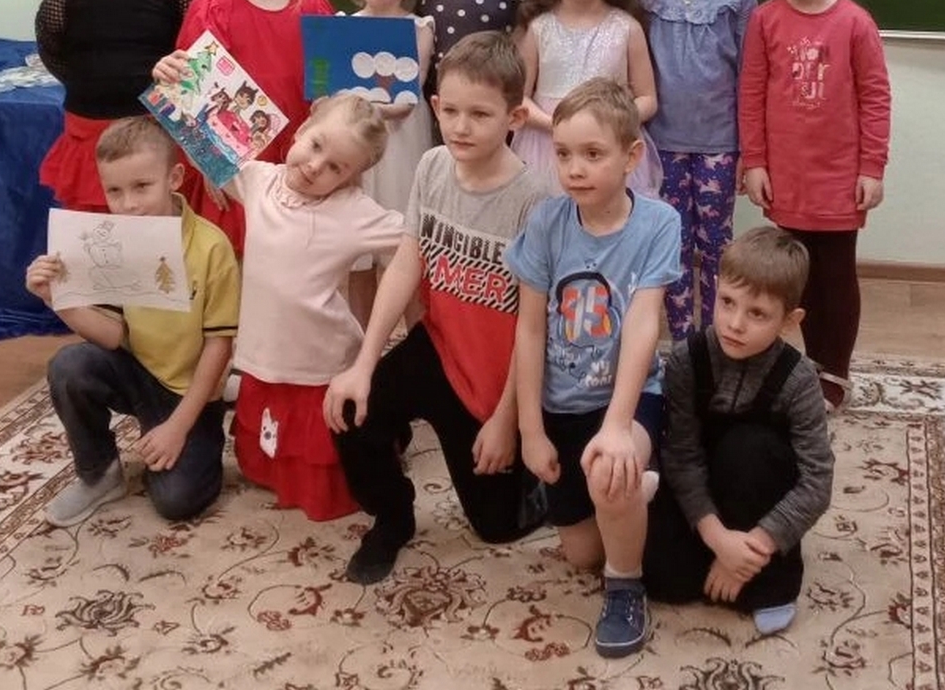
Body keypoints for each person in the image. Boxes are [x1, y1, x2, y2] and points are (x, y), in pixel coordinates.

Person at [324, 33, 548, 584]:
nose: (461, 127)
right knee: (352, 410)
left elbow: (534, 326)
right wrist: (363, 365)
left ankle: (546, 475)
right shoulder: (430, 166)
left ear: (515, 117)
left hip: (497, 379)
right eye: (450, 111)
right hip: (438, 349)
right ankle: (393, 517)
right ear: (435, 105)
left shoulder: (536, 202)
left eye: (480, 114)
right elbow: (406, 264)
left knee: (496, 527)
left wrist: (507, 421)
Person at [508, 79, 681, 659]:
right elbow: (529, 328)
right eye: (563, 154)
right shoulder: (547, 222)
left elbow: (643, 324)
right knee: (582, 555)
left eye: (592, 154)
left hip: (626, 399)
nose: (574, 169)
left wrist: (617, 424)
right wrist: (530, 429)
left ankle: (626, 589)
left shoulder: (658, 223)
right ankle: (635, 498)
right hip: (561, 405)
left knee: (612, 473)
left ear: (631, 157)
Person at [24, 117, 240, 527]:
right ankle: (99, 473)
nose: (128, 205)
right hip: (137, 371)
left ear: (174, 178)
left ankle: (214, 413)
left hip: (190, 388)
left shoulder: (212, 247)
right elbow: (111, 336)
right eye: (115, 191)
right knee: (69, 366)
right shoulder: (112, 240)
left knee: (177, 501)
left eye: (142, 186)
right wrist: (57, 300)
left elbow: (219, 345)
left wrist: (178, 426)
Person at [642, 226, 834, 636]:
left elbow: (817, 482)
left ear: (790, 321)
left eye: (757, 314)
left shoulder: (799, 379)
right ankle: (718, 554)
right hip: (702, 497)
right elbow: (681, 456)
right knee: (664, 583)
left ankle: (766, 579)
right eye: (727, 302)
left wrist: (755, 547)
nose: (735, 323)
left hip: (758, 495)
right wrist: (718, 540)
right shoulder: (686, 360)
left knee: (749, 447)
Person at [222, 93, 405, 522]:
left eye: (336, 167)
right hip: (266, 351)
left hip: (322, 362)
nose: (315, 166)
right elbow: (202, 137)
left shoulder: (354, 212)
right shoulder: (258, 179)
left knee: (325, 444)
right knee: (272, 414)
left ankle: (377, 438)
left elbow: (415, 238)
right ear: (302, 129)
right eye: (316, 145)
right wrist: (174, 75)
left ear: (353, 177)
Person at [738, 0, 891, 409]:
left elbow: (875, 98)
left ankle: (834, 374)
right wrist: (755, 162)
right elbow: (751, 94)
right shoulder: (764, 21)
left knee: (835, 277)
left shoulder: (855, 24)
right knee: (795, 277)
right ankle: (806, 366)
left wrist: (872, 168)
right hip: (786, 176)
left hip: (840, 178)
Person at [153, 0, 334, 253]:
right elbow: (193, 98)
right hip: (234, 167)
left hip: (299, 160)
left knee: (295, 257)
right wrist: (212, 167)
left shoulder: (315, 9)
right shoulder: (212, 11)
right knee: (236, 259)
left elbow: (326, 90)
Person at [36, 0, 203, 212]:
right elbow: (51, 46)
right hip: (90, 134)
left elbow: (199, 55)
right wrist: (91, 81)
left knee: (160, 233)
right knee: (98, 234)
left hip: (156, 136)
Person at [640, 0, 757, 337]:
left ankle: (713, 338)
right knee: (671, 242)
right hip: (660, 142)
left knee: (715, 245)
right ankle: (683, 341)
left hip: (718, 145)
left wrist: (748, 149)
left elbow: (750, 74)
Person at [512, 0, 661, 196]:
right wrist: (557, 126)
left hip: (608, 149)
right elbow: (519, 97)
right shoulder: (539, 29)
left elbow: (648, 99)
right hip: (547, 149)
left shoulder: (627, 28)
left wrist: (610, 124)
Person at [345, 0, 435, 327]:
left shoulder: (418, 28)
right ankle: (362, 343)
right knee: (358, 256)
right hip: (357, 150)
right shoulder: (343, 25)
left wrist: (354, 101)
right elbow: (325, 95)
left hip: (399, 148)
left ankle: (416, 346)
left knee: (402, 250)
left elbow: (403, 102)